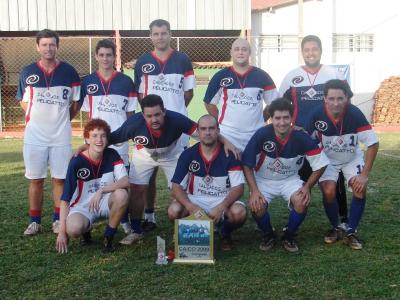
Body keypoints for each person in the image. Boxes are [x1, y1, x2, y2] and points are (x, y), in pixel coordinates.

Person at [105, 94, 238, 245]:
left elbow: (205, 132)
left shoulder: (177, 119)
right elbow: (108, 139)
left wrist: (226, 142)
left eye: (157, 114)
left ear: (164, 111)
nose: (154, 119)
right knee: (136, 189)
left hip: (172, 153)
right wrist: (86, 146)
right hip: (144, 153)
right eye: (149, 116)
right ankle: (136, 230)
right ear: (142, 115)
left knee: (178, 190)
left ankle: (187, 227)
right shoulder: (132, 125)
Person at [279, 34, 349, 228]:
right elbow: (281, 105)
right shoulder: (292, 76)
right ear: (302, 52)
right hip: (300, 139)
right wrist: (290, 126)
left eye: (314, 49)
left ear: (321, 51)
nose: (311, 53)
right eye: (307, 50)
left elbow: (345, 102)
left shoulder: (333, 74)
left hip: (328, 137)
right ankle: (294, 219)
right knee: (297, 179)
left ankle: (343, 220)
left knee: (335, 178)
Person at [242, 98, 329, 253]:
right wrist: (254, 190)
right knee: (257, 205)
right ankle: (268, 234)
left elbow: (321, 164)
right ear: (271, 119)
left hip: (289, 179)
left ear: (291, 118)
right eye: (277, 118)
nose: (281, 122)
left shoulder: (301, 137)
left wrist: (307, 187)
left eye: (285, 118)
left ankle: (289, 235)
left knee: (301, 201)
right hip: (263, 180)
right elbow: (247, 165)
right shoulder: (262, 134)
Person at [16, 29, 81, 236]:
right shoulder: (27, 72)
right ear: (37, 47)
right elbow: (22, 100)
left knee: (59, 179)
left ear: (57, 46)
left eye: (52, 44)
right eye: (44, 44)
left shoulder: (69, 72)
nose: (48, 48)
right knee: (36, 179)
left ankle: (56, 220)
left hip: (60, 135)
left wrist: (62, 118)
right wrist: (35, 117)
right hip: (35, 136)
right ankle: (34, 221)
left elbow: (76, 101)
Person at [134, 19, 196, 231]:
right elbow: (141, 96)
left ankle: (181, 215)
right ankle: (149, 216)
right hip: (150, 129)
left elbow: (188, 94)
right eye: (156, 34)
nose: (160, 37)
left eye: (163, 33)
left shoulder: (183, 60)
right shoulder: (142, 62)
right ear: (150, 37)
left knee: (179, 179)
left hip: (176, 134)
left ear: (170, 34)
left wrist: (173, 118)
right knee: (148, 174)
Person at [306, 79, 379, 250]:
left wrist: (364, 175)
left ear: (347, 97)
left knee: (360, 188)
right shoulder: (316, 113)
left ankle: (351, 231)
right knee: (329, 191)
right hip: (327, 160)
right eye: (331, 98)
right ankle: (336, 227)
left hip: (351, 158)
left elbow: (373, 144)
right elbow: (303, 136)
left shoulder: (355, 113)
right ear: (324, 99)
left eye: (340, 98)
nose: (336, 103)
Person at [80, 39, 137, 233]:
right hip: (96, 141)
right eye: (102, 55)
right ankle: (89, 213)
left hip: (119, 142)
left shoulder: (126, 81)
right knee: (94, 179)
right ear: (96, 56)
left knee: (122, 180)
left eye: (109, 55)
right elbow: (88, 114)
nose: (105, 58)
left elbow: (130, 117)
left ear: (115, 57)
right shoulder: (87, 82)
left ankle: (124, 220)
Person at [168, 115, 246, 251]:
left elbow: (238, 188)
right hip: (195, 199)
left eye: (211, 128)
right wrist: (190, 206)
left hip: (222, 199)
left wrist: (221, 206)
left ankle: (224, 233)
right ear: (197, 132)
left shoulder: (230, 154)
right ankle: (187, 233)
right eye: (203, 129)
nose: (208, 132)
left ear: (218, 130)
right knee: (174, 210)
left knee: (239, 213)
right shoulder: (188, 154)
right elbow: (176, 187)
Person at [56, 119, 129, 253]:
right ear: (87, 139)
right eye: (94, 136)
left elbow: (125, 181)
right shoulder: (76, 162)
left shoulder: (112, 154)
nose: (99, 140)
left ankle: (108, 237)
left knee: (122, 194)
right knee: (73, 229)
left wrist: (102, 190)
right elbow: (65, 199)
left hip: (105, 201)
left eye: (103, 135)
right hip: (83, 206)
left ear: (107, 139)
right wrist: (62, 232)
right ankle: (86, 231)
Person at [204, 38, 278, 152]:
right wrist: (220, 121)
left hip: (255, 133)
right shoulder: (220, 76)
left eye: (244, 49)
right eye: (237, 49)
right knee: (230, 168)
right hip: (228, 134)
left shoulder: (263, 76)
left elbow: (274, 103)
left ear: (250, 52)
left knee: (253, 168)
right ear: (231, 53)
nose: (240, 52)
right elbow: (209, 103)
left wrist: (261, 119)